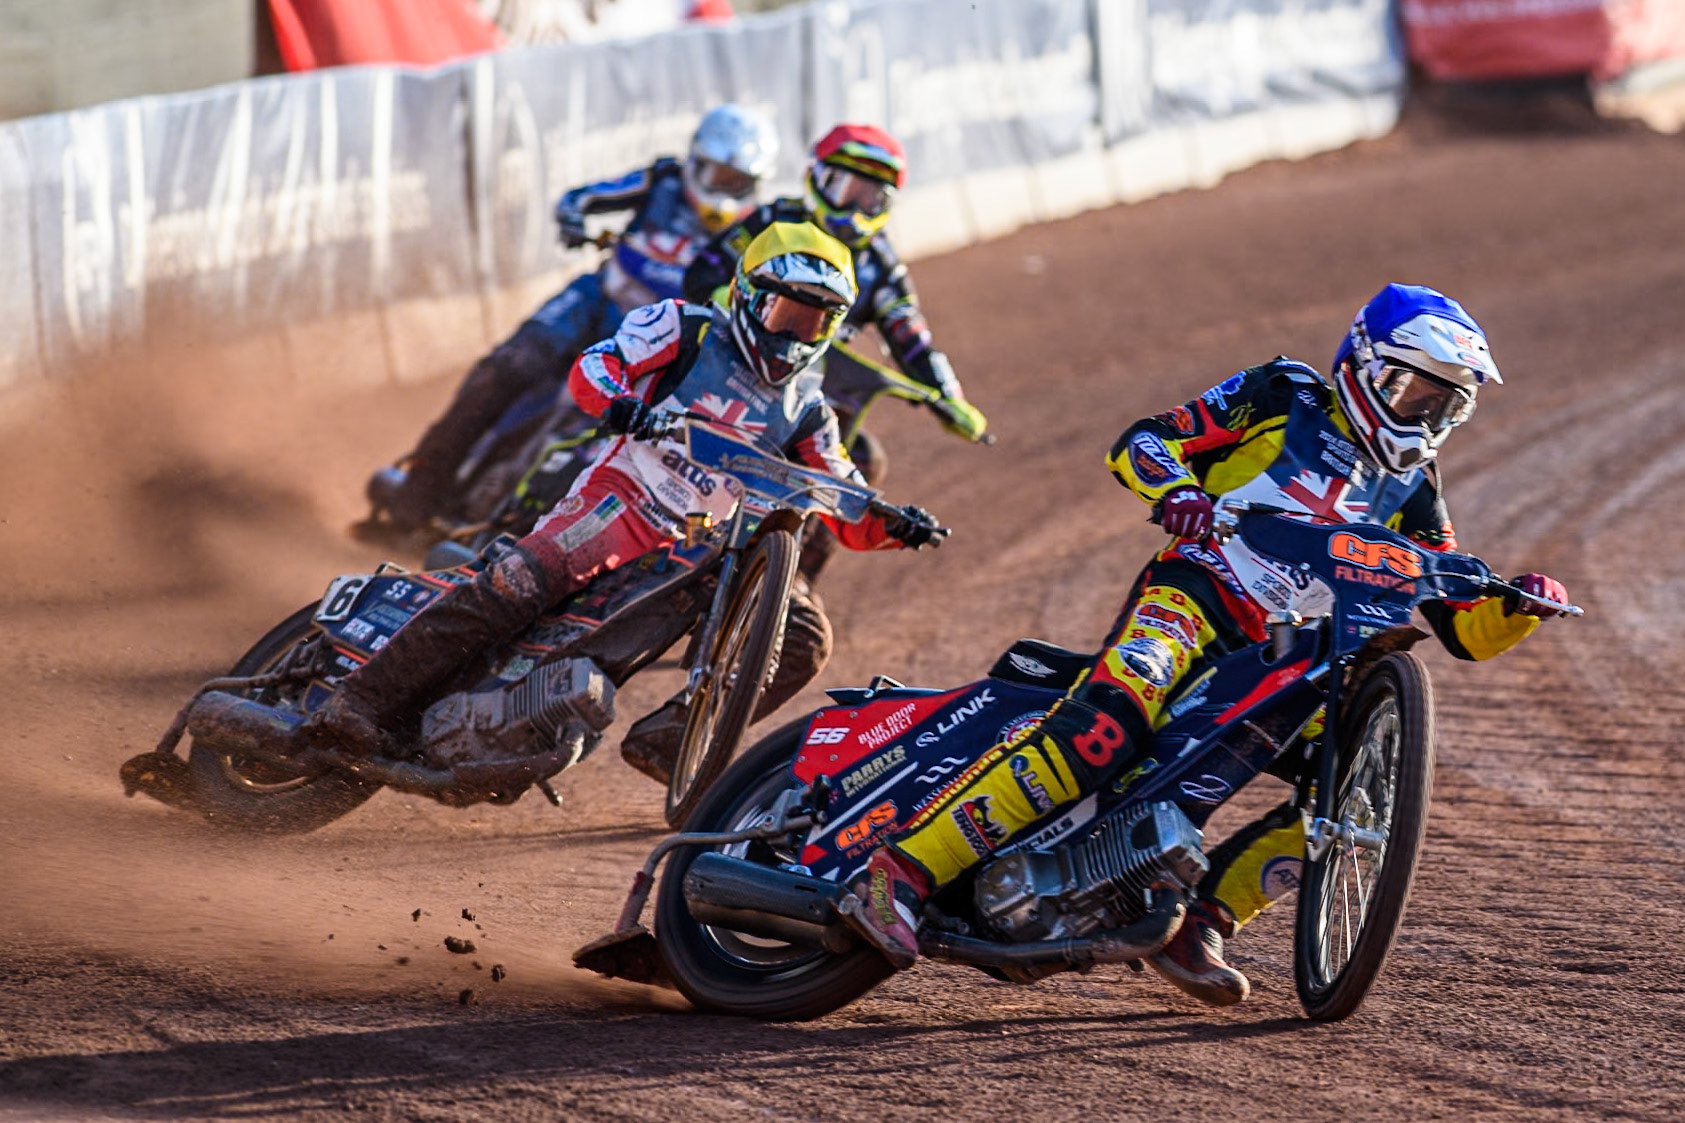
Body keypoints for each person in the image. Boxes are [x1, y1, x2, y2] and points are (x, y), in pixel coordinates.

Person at [836, 284, 1573, 1005]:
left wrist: (1519, 605)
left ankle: (1199, 921)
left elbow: (1458, 624)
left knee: (1347, 782)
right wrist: (1179, 493)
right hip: (1195, 594)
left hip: (1285, 655)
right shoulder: (1283, 393)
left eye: (1445, 403)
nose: (1425, 414)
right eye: (1414, 390)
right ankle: (900, 871)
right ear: (1362, 364)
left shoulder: (1415, 489)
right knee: (1103, 725)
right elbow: (1145, 440)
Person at [305, 223, 938, 760]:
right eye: (785, 314)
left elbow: (845, 497)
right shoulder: (685, 328)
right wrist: (624, 407)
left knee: (803, 637)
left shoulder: (808, 410)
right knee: (524, 580)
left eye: (814, 322)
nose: (794, 336)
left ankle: (675, 740)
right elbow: (597, 366)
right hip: (625, 495)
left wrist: (894, 524)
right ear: (748, 294)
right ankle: (359, 700)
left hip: (704, 549)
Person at [374, 104, 780, 531]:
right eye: (718, 176)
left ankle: (507, 525)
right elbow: (580, 198)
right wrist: (572, 220)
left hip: (659, 336)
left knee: (595, 427)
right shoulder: (661, 181)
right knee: (508, 367)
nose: (725, 191)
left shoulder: (755, 231)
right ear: (695, 161)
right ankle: (421, 483)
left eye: (738, 183)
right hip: (596, 300)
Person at [682, 122, 987, 533]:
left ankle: (794, 575)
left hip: (803, 389)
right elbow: (700, 273)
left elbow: (910, 338)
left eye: (872, 198)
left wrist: (950, 396)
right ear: (816, 178)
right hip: (728, 366)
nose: (857, 208)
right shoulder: (773, 220)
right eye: (848, 189)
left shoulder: (880, 266)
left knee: (861, 463)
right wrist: (722, 293)